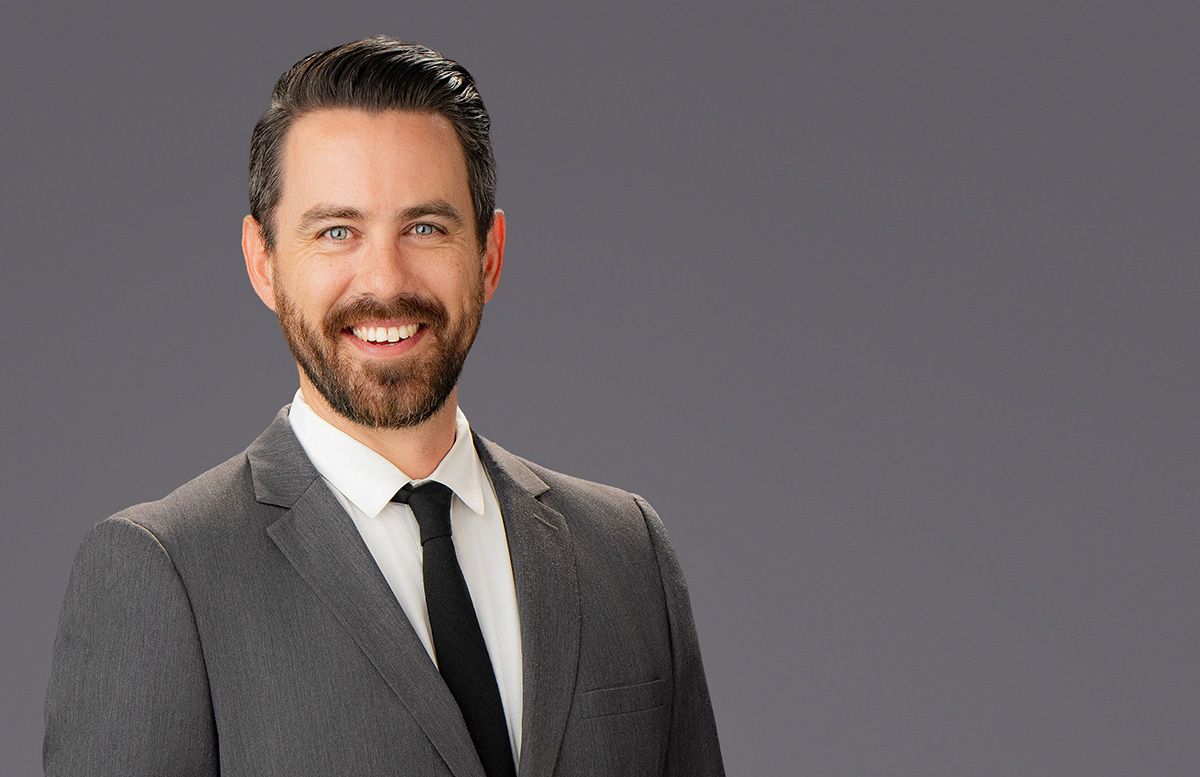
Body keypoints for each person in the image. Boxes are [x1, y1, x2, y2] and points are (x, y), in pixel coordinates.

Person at [43, 36, 724, 777]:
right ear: (263, 262)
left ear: (489, 256)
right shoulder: (163, 574)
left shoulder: (627, 553)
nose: (386, 278)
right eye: (337, 231)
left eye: (425, 227)